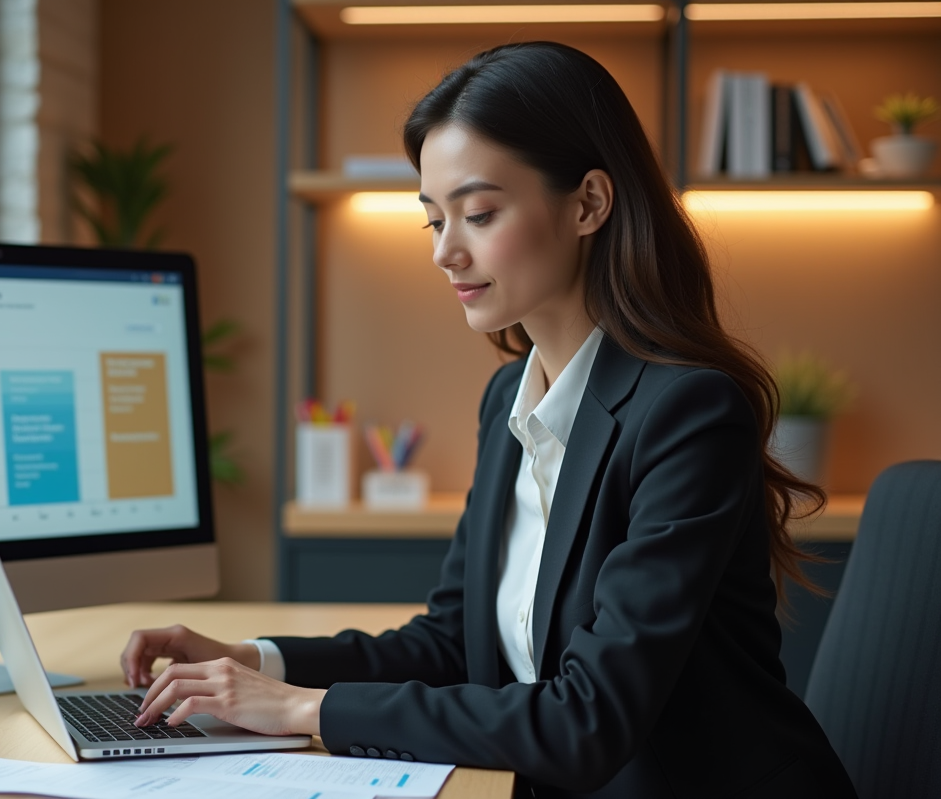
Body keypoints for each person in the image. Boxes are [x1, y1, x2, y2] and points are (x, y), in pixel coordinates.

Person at [121, 42, 857, 798]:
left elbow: (589, 720)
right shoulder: (509, 397)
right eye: (433, 220)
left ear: (588, 203)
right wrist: (254, 662)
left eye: (477, 214)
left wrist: (302, 709)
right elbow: (451, 643)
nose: (446, 252)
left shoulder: (687, 414)